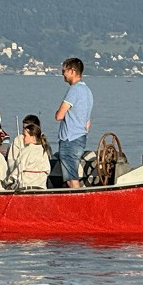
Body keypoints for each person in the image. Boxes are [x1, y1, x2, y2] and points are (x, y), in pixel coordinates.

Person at [54, 57, 93, 188]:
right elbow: (88, 121)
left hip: (69, 138)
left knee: (71, 178)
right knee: (73, 172)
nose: (62, 74)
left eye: (64, 71)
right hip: (81, 137)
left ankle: (79, 203)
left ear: (72, 71)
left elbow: (59, 115)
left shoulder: (74, 90)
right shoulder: (87, 91)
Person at [7, 122, 51, 189]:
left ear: (33, 137)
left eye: (25, 136)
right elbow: (48, 170)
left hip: (26, 188)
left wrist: (8, 182)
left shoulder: (25, 151)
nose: (23, 138)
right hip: (41, 187)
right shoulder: (44, 151)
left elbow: (17, 171)